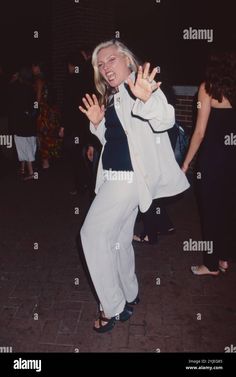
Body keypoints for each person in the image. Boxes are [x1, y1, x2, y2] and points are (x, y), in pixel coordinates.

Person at [79, 39, 189, 333]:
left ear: (128, 60)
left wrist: (147, 98)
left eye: (110, 60)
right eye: (100, 65)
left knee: (91, 235)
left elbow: (165, 119)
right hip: (116, 176)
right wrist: (98, 124)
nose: (105, 68)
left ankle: (111, 308)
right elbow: (117, 140)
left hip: (124, 179)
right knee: (118, 240)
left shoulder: (139, 87)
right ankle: (129, 294)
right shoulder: (116, 95)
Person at [182, 50, 236, 276]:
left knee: (211, 211)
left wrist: (185, 164)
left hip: (214, 158)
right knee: (230, 209)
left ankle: (211, 265)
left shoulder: (206, 89)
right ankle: (225, 259)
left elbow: (200, 132)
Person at [8, 66, 37, 180]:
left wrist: (12, 81)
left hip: (20, 123)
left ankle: (31, 172)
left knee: (23, 146)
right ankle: (23, 168)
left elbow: (9, 98)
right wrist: (32, 112)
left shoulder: (17, 88)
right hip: (30, 122)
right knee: (29, 144)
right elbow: (35, 104)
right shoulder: (31, 88)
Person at [32, 62, 61, 169]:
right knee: (50, 134)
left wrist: (34, 109)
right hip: (52, 110)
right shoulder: (48, 79)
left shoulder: (38, 80)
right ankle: (51, 159)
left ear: (38, 67)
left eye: (34, 65)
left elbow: (38, 100)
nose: (32, 68)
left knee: (43, 135)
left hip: (44, 112)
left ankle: (45, 162)